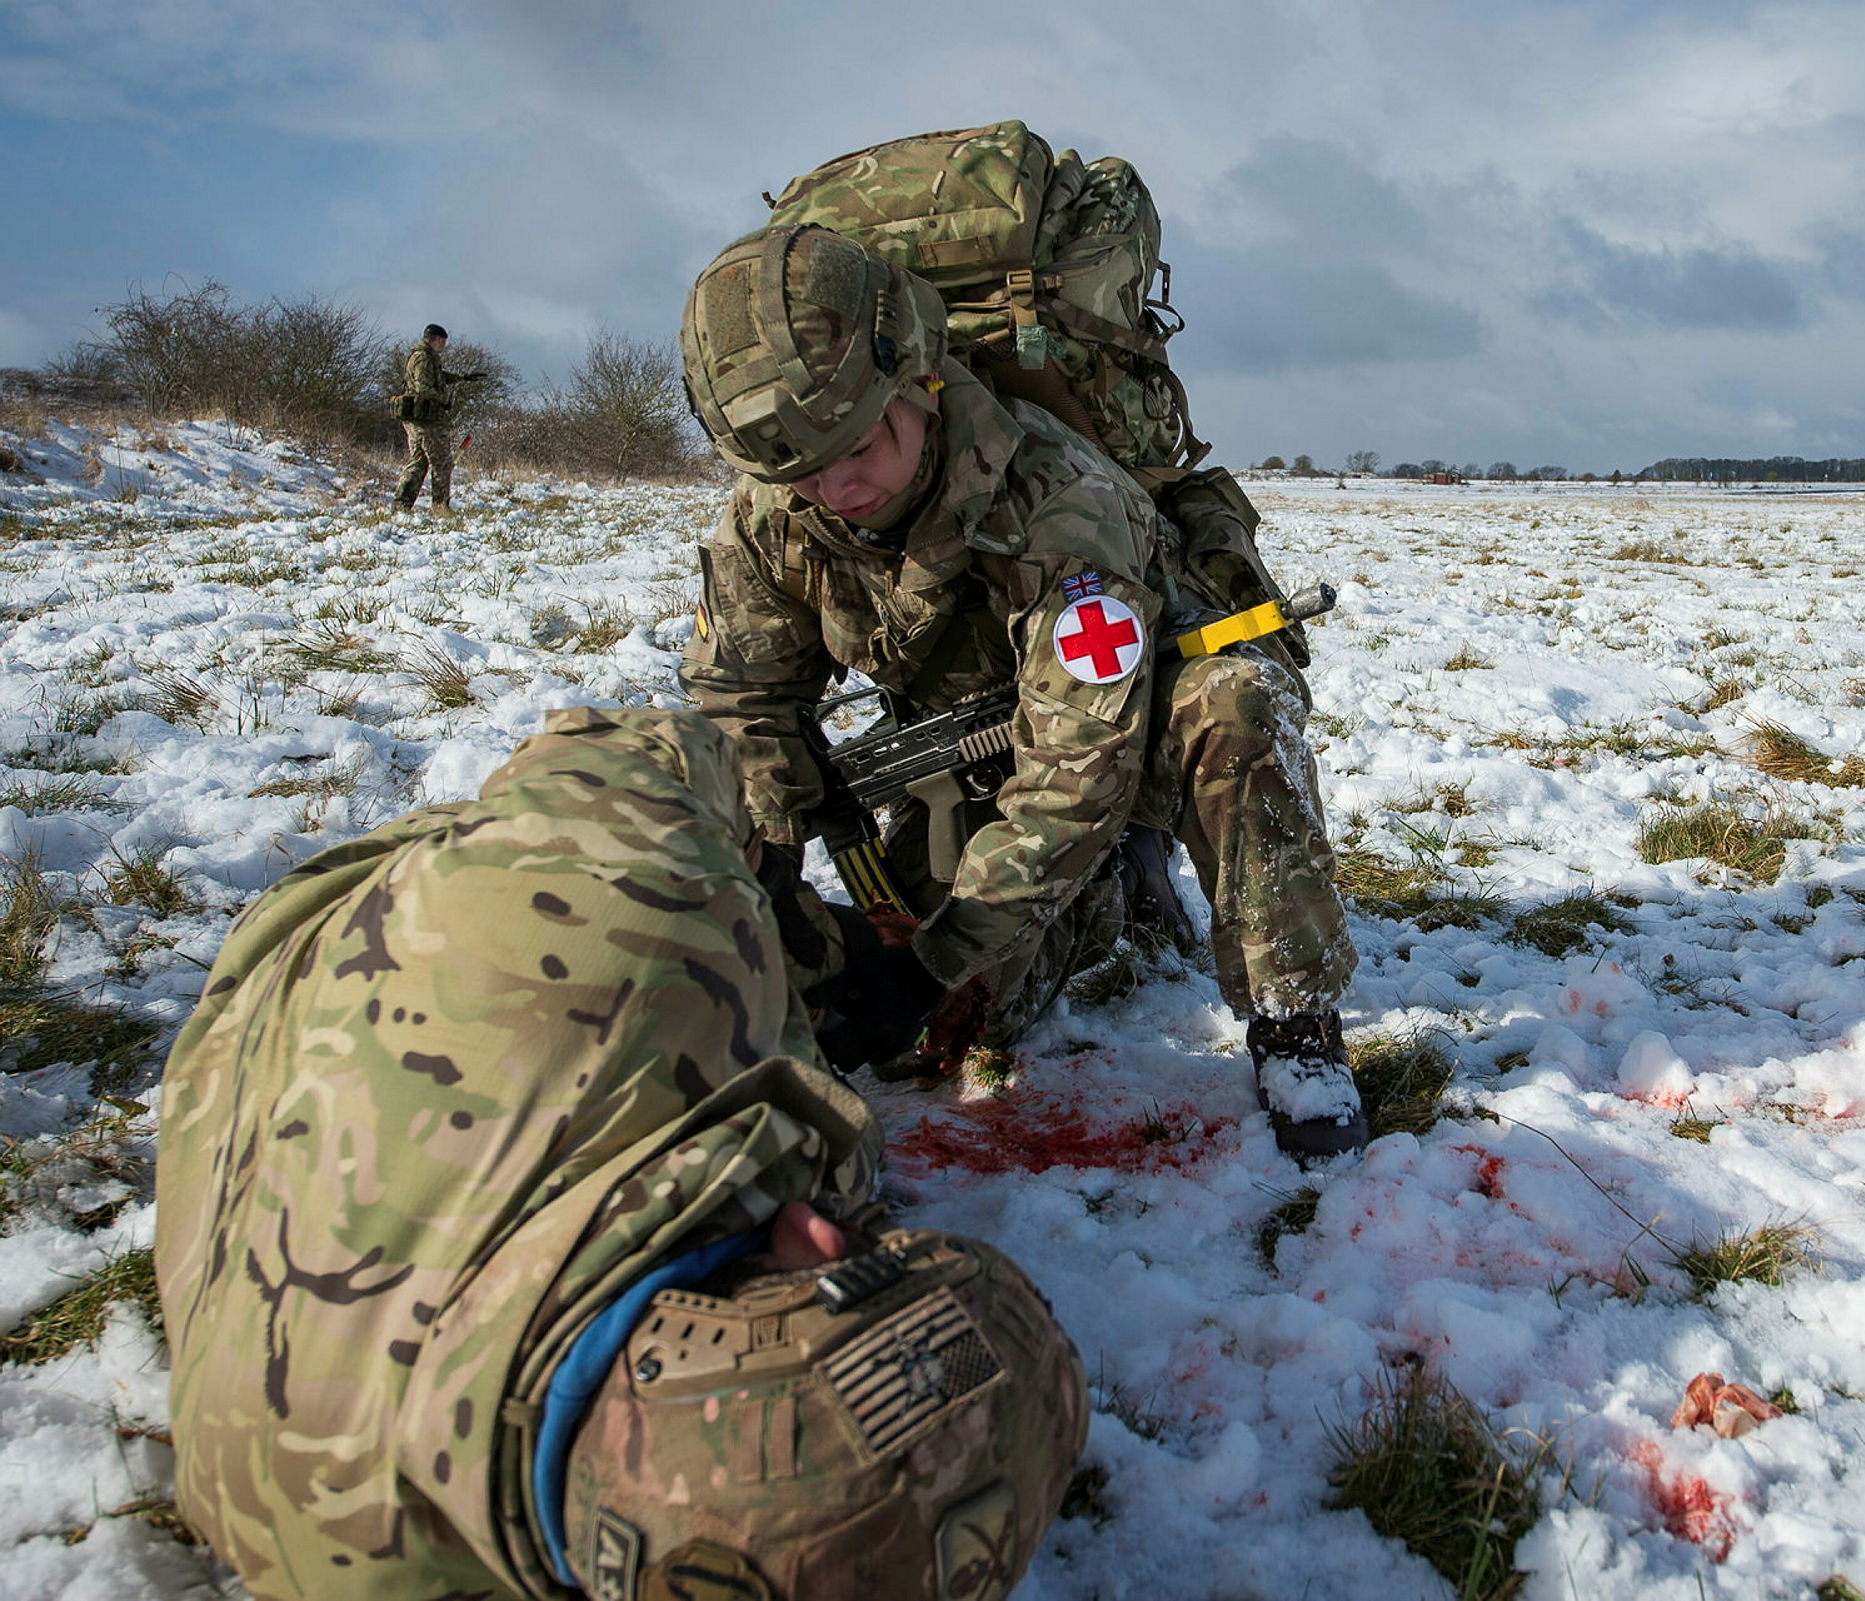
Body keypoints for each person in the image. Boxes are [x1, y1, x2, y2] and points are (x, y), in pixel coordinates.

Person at [153, 706, 1088, 1601]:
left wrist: (753, 906)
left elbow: (642, 744)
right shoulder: (321, 1546)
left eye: (872, 1269)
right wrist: (807, 928)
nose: (861, 1229)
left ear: (817, 1239)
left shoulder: (614, 925)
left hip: (416, 943)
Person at [678, 222, 1365, 1159]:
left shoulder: (1057, 500)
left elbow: (1082, 768)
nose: (835, 488)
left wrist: (933, 963)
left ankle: (1297, 1026)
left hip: (1125, 729)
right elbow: (739, 708)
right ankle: (1108, 890)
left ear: (919, 378)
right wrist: (777, 918)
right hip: (970, 752)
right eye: (797, 469)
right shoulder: (774, 513)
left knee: (1234, 706)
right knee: (947, 1034)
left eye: (863, 446)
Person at [395, 322, 485, 511]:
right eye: (443, 342)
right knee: (442, 462)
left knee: (419, 462)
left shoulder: (425, 357)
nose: (444, 346)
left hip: (418, 420)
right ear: (434, 340)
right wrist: (442, 399)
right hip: (426, 421)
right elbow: (423, 387)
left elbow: (437, 376)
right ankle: (440, 507)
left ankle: (401, 505)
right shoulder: (423, 358)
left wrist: (462, 377)